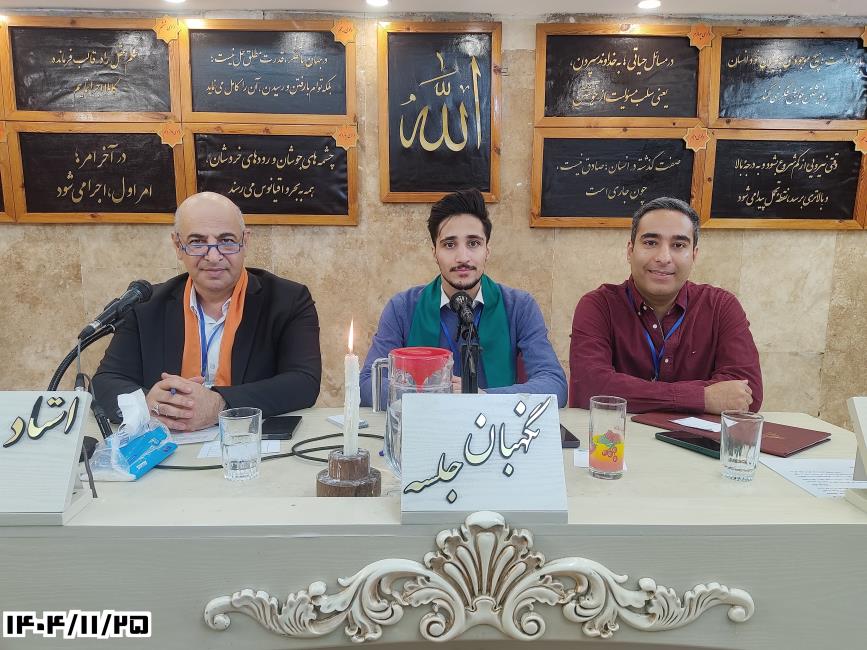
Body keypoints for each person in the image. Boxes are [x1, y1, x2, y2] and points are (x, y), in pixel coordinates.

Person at [93, 192, 321, 431]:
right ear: (178, 246)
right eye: (197, 242)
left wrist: (220, 404)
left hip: (248, 441)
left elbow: (304, 383)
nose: (213, 256)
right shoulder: (145, 306)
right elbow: (104, 382)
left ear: (245, 242)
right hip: (168, 443)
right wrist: (146, 402)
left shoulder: (288, 300)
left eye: (226, 240)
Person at [360, 188, 567, 407]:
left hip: (493, 425)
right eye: (449, 245)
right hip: (425, 425)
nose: (462, 257)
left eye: (473, 243)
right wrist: (435, 394)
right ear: (434, 252)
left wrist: (483, 397)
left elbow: (554, 385)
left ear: (487, 250)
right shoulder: (403, 308)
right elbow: (368, 384)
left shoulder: (519, 307)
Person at [569, 196, 762, 414]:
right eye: (651, 243)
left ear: (694, 255)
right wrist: (703, 397)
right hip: (615, 436)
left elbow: (746, 395)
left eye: (678, 245)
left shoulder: (721, 307)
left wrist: (635, 393)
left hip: (694, 437)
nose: (663, 257)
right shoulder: (598, 306)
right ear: (630, 251)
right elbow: (590, 387)